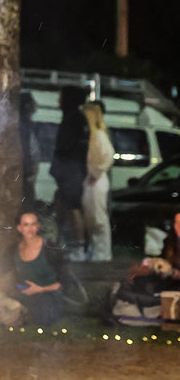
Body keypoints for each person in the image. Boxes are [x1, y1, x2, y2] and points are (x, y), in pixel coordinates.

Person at [2, 211, 67, 326]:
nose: (30, 229)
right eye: (26, 225)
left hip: (48, 293)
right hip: (23, 294)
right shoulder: (13, 250)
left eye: (33, 224)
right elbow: (8, 275)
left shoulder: (50, 248)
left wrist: (40, 289)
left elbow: (63, 281)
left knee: (42, 308)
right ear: (19, 228)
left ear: (38, 226)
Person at [50, 86, 89, 261]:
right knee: (68, 209)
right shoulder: (74, 118)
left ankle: (79, 248)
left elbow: (66, 147)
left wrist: (61, 167)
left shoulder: (73, 119)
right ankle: (69, 246)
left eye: (61, 96)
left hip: (72, 173)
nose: (58, 100)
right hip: (70, 172)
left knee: (74, 209)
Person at [81, 101, 114, 261]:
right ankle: (97, 252)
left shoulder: (99, 135)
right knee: (92, 217)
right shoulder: (96, 134)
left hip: (97, 179)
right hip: (94, 178)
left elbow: (109, 156)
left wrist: (96, 172)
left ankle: (103, 253)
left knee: (98, 218)